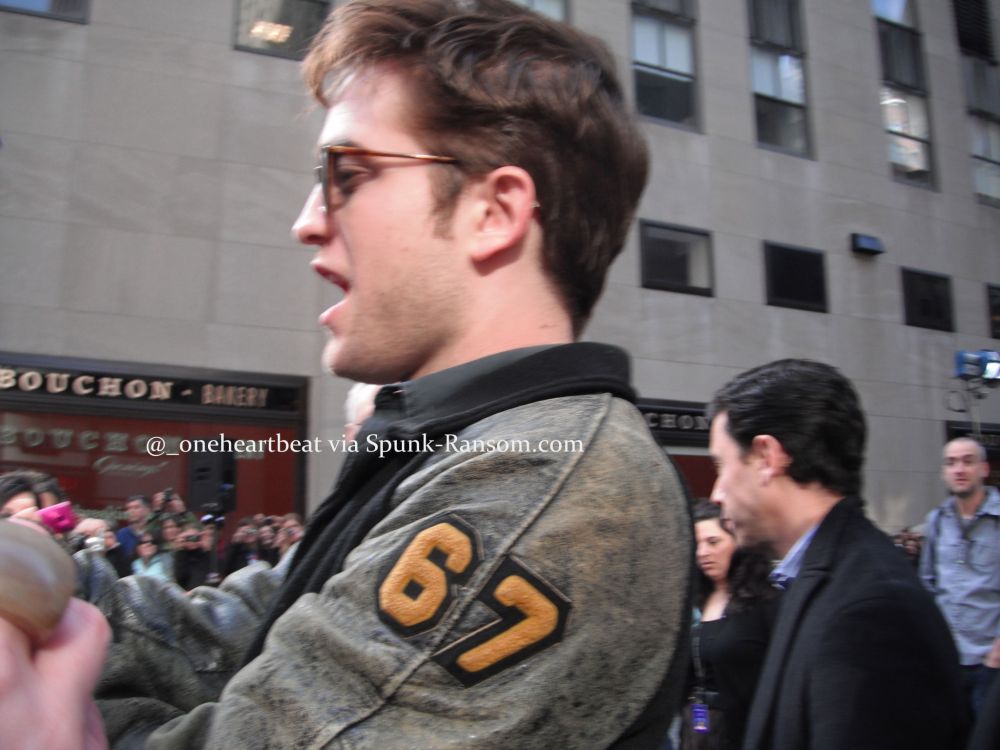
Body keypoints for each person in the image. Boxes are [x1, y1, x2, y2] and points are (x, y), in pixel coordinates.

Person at [0, 1, 693, 747]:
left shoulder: (547, 485)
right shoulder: (460, 448)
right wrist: (45, 577)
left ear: (494, 211)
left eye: (349, 175)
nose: (307, 220)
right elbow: (237, 634)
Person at [708, 358, 969, 750]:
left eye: (720, 465)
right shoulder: (821, 577)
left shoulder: (872, 612)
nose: (716, 493)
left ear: (766, 457)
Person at [680, 502, 778, 750]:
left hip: (743, 733)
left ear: (739, 543)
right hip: (697, 730)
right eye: (697, 545)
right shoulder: (695, 602)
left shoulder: (767, 603)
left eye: (713, 542)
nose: (702, 552)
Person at [919, 436, 1000, 718]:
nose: (959, 469)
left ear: (984, 469)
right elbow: (927, 584)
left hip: (990, 663)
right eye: (951, 463)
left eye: (968, 461)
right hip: (946, 660)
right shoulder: (936, 520)